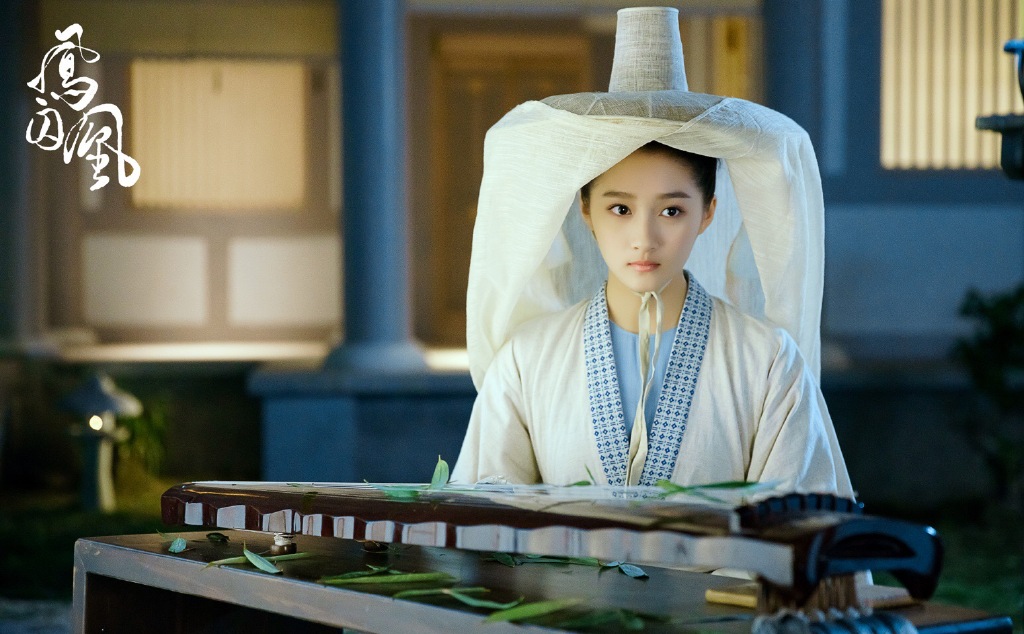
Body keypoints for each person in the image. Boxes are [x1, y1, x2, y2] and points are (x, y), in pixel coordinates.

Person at [450, 7, 852, 498]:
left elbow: (796, 519)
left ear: (708, 213)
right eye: (620, 209)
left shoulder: (766, 360)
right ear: (586, 211)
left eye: (671, 211)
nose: (644, 238)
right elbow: (486, 516)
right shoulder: (527, 360)